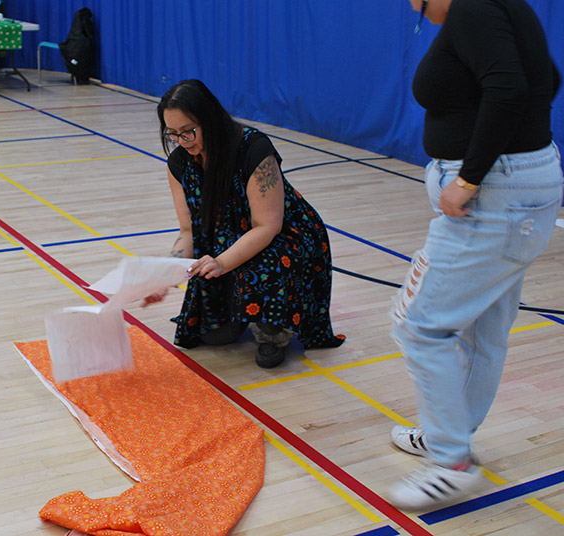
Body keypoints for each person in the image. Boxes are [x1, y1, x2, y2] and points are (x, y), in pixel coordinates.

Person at [388, 0, 562, 511]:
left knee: (419, 326)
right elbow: (546, 79)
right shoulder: (498, 5)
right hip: (517, 188)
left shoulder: (473, 7)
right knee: (484, 328)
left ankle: (451, 463)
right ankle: (452, 436)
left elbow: (509, 89)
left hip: (496, 197)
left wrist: (469, 177)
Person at [144, 79, 345, 368]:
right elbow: (188, 231)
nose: (182, 141)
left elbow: (267, 226)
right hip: (228, 238)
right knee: (213, 336)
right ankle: (243, 309)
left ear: (210, 120)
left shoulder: (253, 147)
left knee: (267, 262)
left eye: (188, 131)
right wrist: (163, 275)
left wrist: (222, 263)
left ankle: (273, 332)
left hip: (284, 237)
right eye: (173, 134)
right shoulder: (179, 163)